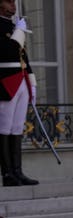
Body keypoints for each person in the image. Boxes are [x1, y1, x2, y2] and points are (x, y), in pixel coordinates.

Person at [0, 0, 38, 186]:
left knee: (17, 127)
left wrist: (32, 81)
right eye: (8, 2)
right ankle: (7, 174)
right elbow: (7, 50)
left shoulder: (15, 26)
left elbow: (24, 56)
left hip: (21, 79)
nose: (13, 6)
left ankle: (18, 171)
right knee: (5, 127)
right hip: (6, 80)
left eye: (14, 2)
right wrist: (19, 32)